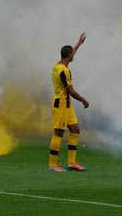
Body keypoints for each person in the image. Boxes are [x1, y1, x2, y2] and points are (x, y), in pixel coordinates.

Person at [48, 32, 89, 172]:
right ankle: (52, 165)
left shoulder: (57, 65)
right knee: (58, 133)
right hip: (61, 104)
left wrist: (78, 43)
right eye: (73, 53)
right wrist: (84, 100)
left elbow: (70, 53)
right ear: (69, 55)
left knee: (75, 130)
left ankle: (71, 163)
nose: (74, 55)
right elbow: (71, 91)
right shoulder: (64, 71)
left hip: (66, 104)